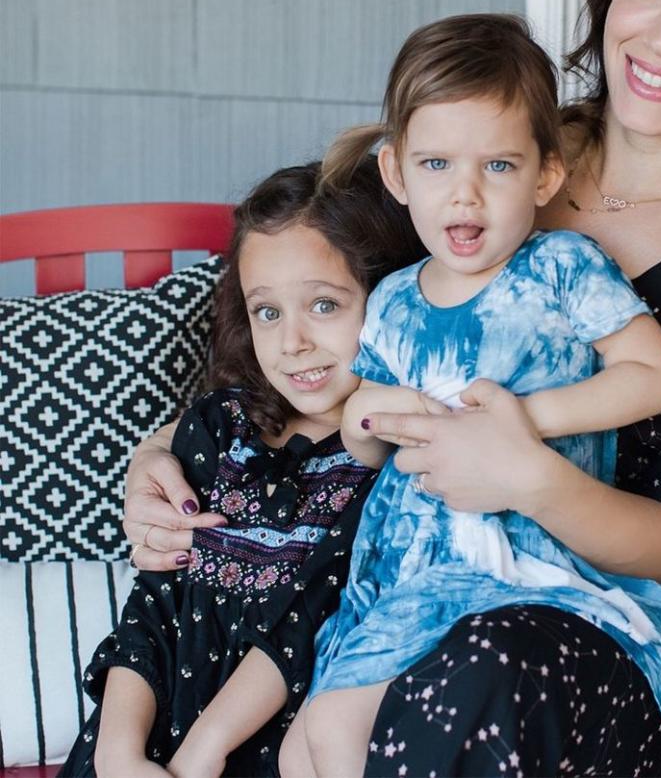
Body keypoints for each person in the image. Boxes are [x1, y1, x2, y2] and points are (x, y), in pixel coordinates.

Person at [122, 0, 661, 778]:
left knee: (472, 675)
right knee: (287, 659)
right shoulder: (477, 151)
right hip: (393, 573)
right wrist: (158, 452)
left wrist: (524, 470)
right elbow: (294, 319)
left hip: (595, 631)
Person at [275, 14, 661, 777]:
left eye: (497, 167)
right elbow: (367, 434)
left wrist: (529, 419)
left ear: (545, 176)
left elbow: (655, 376)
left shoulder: (561, 267)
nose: (465, 195)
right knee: (304, 746)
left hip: (520, 565)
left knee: (341, 730)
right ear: (395, 174)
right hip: (411, 571)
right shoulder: (392, 299)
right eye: (435, 165)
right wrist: (362, 419)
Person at [60, 158, 425, 778]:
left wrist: (202, 755)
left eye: (324, 305)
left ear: (388, 296)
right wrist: (118, 753)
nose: (292, 342)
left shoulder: (387, 462)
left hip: (263, 750)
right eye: (269, 312)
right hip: (148, 730)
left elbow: (310, 620)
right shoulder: (219, 428)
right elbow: (157, 596)